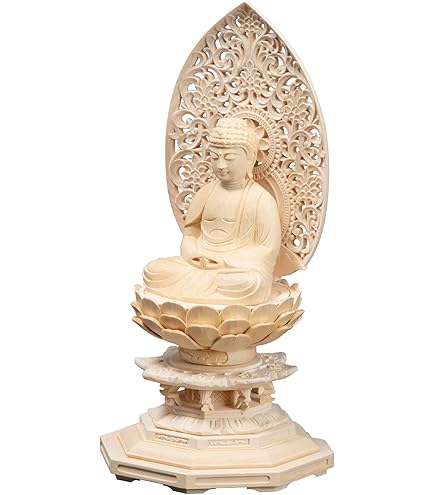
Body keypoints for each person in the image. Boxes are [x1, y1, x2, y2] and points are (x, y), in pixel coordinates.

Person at [143, 118, 282, 305]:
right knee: (153, 270)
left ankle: (197, 292)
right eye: (215, 157)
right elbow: (191, 232)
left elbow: (268, 248)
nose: (221, 165)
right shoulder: (206, 193)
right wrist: (193, 254)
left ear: (250, 158)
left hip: (235, 271)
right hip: (199, 265)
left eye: (229, 158)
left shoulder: (260, 199)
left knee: (252, 284)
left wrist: (224, 261)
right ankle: (204, 291)